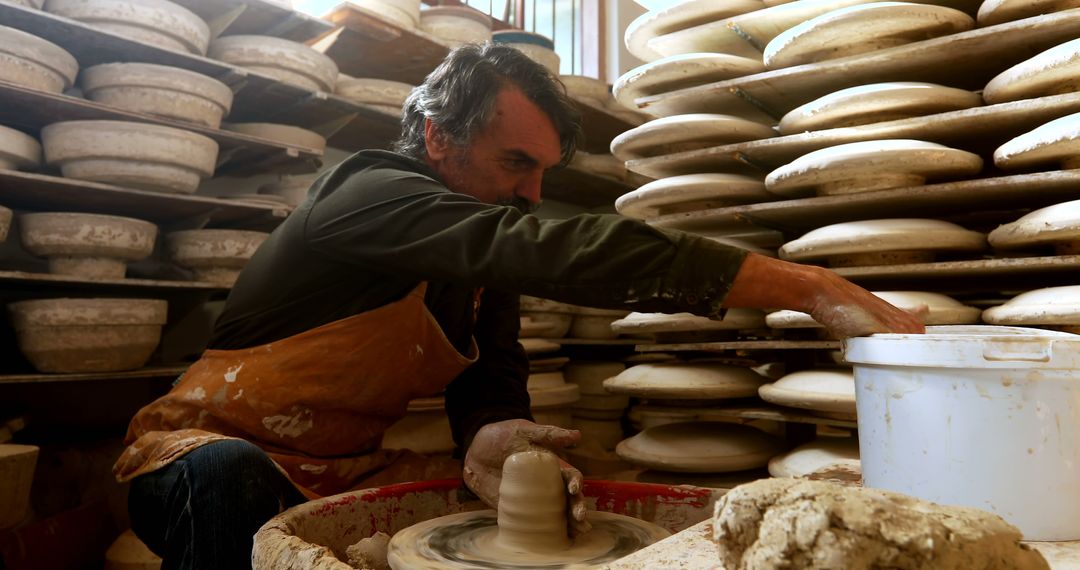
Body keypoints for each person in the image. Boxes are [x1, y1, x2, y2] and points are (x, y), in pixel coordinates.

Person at [113, 43, 923, 569]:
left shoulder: (470, 255)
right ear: (436, 137)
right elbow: (547, 248)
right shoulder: (364, 196)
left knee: (528, 501)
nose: (531, 194)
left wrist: (491, 433)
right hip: (195, 456)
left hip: (342, 467)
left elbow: (490, 378)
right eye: (514, 164)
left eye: (542, 172)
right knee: (228, 475)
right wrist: (804, 285)